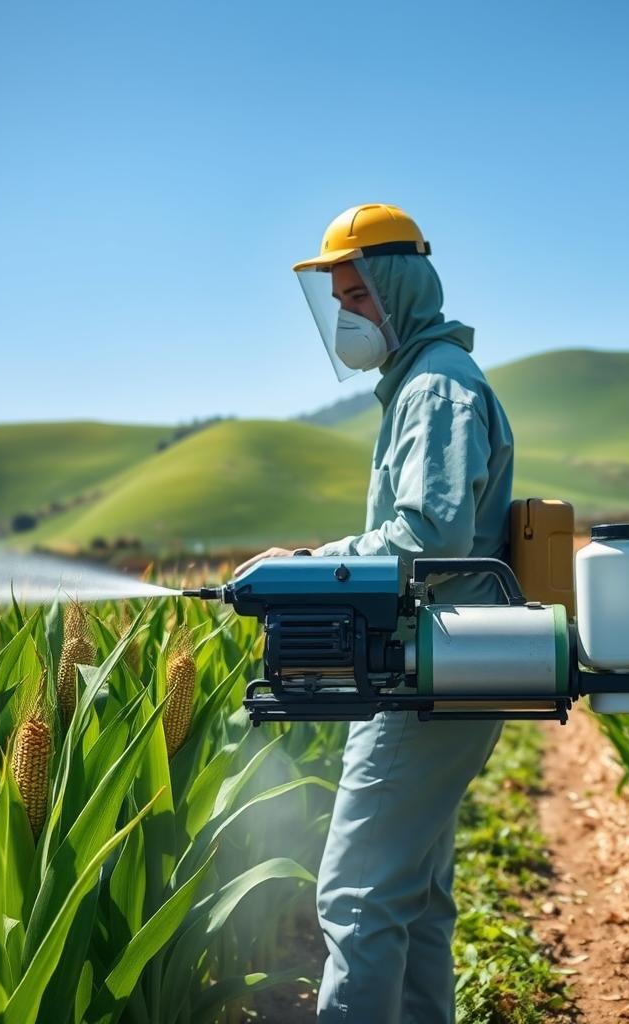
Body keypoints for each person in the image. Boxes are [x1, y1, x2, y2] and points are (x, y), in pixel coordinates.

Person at [236, 203, 515, 1023]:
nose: (347, 317)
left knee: (356, 899)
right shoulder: (426, 383)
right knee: (415, 899)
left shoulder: (436, 390)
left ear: (397, 289)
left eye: (358, 297)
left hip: (429, 667)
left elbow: (427, 535)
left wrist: (306, 568)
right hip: (439, 664)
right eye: (340, 301)